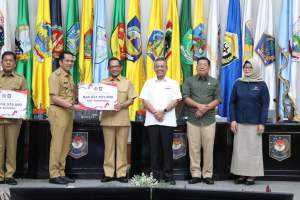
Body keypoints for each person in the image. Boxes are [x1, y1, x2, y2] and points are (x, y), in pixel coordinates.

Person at [140, 57, 182, 185]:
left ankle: (168, 175)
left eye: (162, 66)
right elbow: (144, 100)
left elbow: (176, 100)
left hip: (167, 121)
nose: (159, 68)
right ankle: (156, 175)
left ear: (166, 68)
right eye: (157, 66)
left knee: (167, 149)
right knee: (154, 149)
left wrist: (162, 111)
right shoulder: (148, 83)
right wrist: (155, 113)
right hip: (152, 121)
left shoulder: (173, 83)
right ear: (154, 68)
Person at [229, 59, 270, 185]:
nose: (247, 69)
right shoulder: (238, 83)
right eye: (245, 67)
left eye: (250, 67)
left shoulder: (262, 84)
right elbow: (232, 102)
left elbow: (265, 104)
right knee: (240, 151)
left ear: (255, 69)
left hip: (255, 124)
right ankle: (241, 174)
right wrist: (233, 120)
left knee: (253, 150)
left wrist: (262, 122)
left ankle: (252, 175)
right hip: (239, 123)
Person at [182, 57, 221, 185]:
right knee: (194, 148)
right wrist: (199, 106)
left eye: (205, 64)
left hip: (209, 120)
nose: (202, 66)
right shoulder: (189, 81)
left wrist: (205, 109)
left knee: (208, 149)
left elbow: (218, 99)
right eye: (199, 64)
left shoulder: (214, 82)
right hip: (193, 120)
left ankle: (208, 174)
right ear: (196, 66)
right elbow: (185, 97)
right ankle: (196, 174)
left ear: (209, 67)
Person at [100, 57, 137, 183]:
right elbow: (96, 98)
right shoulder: (103, 83)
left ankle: (121, 173)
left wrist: (122, 105)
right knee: (108, 148)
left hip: (122, 119)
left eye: (117, 66)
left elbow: (131, 99)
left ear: (120, 68)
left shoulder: (127, 82)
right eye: (112, 66)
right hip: (107, 119)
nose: (114, 69)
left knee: (122, 148)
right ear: (108, 68)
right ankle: (109, 173)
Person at [48, 51, 81, 184]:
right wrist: (72, 106)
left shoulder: (70, 76)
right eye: (67, 61)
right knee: (57, 144)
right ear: (61, 62)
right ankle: (54, 174)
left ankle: (61, 172)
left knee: (65, 144)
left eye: (72, 61)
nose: (70, 63)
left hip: (67, 112)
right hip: (58, 111)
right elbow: (54, 97)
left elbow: (71, 95)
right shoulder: (55, 76)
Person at [0, 51, 27, 185]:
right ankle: (0, 175)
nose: (8, 62)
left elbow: (24, 99)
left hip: (14, 120)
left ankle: (9, 175)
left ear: (15, 63)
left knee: (11, 147)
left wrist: (22, 112)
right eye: (6, 60)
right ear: (1, 62)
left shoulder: (20, 79)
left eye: (11, 60)